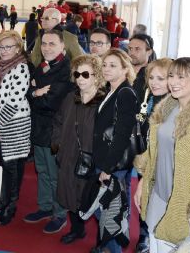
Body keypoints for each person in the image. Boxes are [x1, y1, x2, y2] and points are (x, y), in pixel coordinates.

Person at [134, 58, 190, 252]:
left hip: (183, 206)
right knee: (154, 245)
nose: (173, 82)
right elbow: (154, 154)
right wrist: (143, 183)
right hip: (158, 195)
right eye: (171, 76)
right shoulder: (168, 109)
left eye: (181, 77)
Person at [51, 54, 106, 244]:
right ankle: (77, 230)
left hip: (92, 161)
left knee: (94, 201)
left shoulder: (103, 102)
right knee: (69, 196)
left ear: (97, 77)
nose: (80, 78)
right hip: (67, 156)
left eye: (85, 74)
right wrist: (56, 146)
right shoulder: (70, 97)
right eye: (77, 74)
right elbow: (58, 121)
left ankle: (103, 242)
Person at [24, 29, 73, 234]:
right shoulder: (40, 66)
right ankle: (45, 207)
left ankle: (59, 213)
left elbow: (50, 103)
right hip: (38, 129)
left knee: (55, 175)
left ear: (63, 46)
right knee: (42, 171)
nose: (47, 48)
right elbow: (28, 94)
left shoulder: (66, 70)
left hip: (55, 132)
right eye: (44, 44)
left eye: (52, 44)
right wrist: (36, 92)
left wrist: (35, 93)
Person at [92, 49, 138, 253]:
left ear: (125, 69)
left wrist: (108, 168)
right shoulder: (112, 90)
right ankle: (106, 246)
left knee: (109, 212)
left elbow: (121, 135)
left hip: (113, 164)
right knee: (105, 208)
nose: (107, 69)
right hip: (106, 160)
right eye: (105, 65)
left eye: (113, 65)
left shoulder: (125, 93)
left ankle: (112, 248)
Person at [0, 31, 31, 226]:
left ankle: (11, 206)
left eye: (8, 47)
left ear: (18, 48)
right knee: (3, 165)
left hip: (15, 124)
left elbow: (14, 102)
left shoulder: (21, 68)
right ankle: (3, 202)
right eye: (1, 46)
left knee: (13, 167)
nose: (4, 51)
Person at [132, 57, 172, 253]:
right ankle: (144, 235)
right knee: (143, 201)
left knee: (161, 205)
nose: (154, 82)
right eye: (151, 77)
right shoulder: (147, 97)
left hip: (163, 166)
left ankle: (158, 239)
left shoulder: (173, 106)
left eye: (161, 78)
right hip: (144, 159)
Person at [128, 34, 156, 100]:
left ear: (149, 52)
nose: (132, 53)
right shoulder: (121, 71)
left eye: (137, 49)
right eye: (130, 48)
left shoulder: (153, 76)